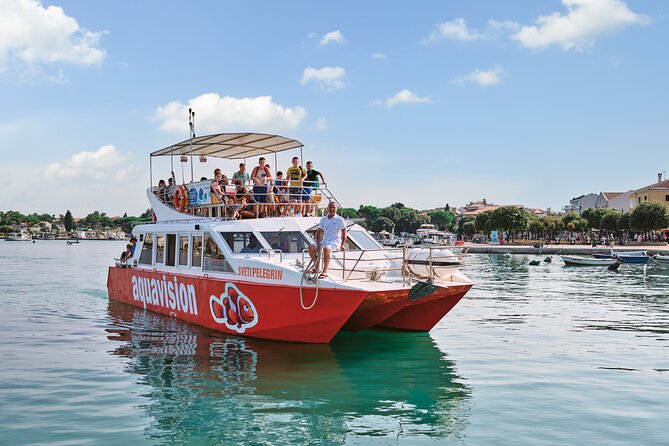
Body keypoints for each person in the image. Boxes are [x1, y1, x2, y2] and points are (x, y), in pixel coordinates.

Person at [308, 201, 347, 279]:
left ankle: (325, 271)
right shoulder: (324, 219)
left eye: (334, 207)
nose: (332, 209)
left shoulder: (340, 219)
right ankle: (316, 267)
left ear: (336, 209)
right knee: (311, 247)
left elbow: (344, 233)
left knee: (326, 249)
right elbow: (319, 232)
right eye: (330, 207)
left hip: (335, 241)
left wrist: (342, 245)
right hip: (325, 240)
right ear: (327, 208)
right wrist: (318, 243)